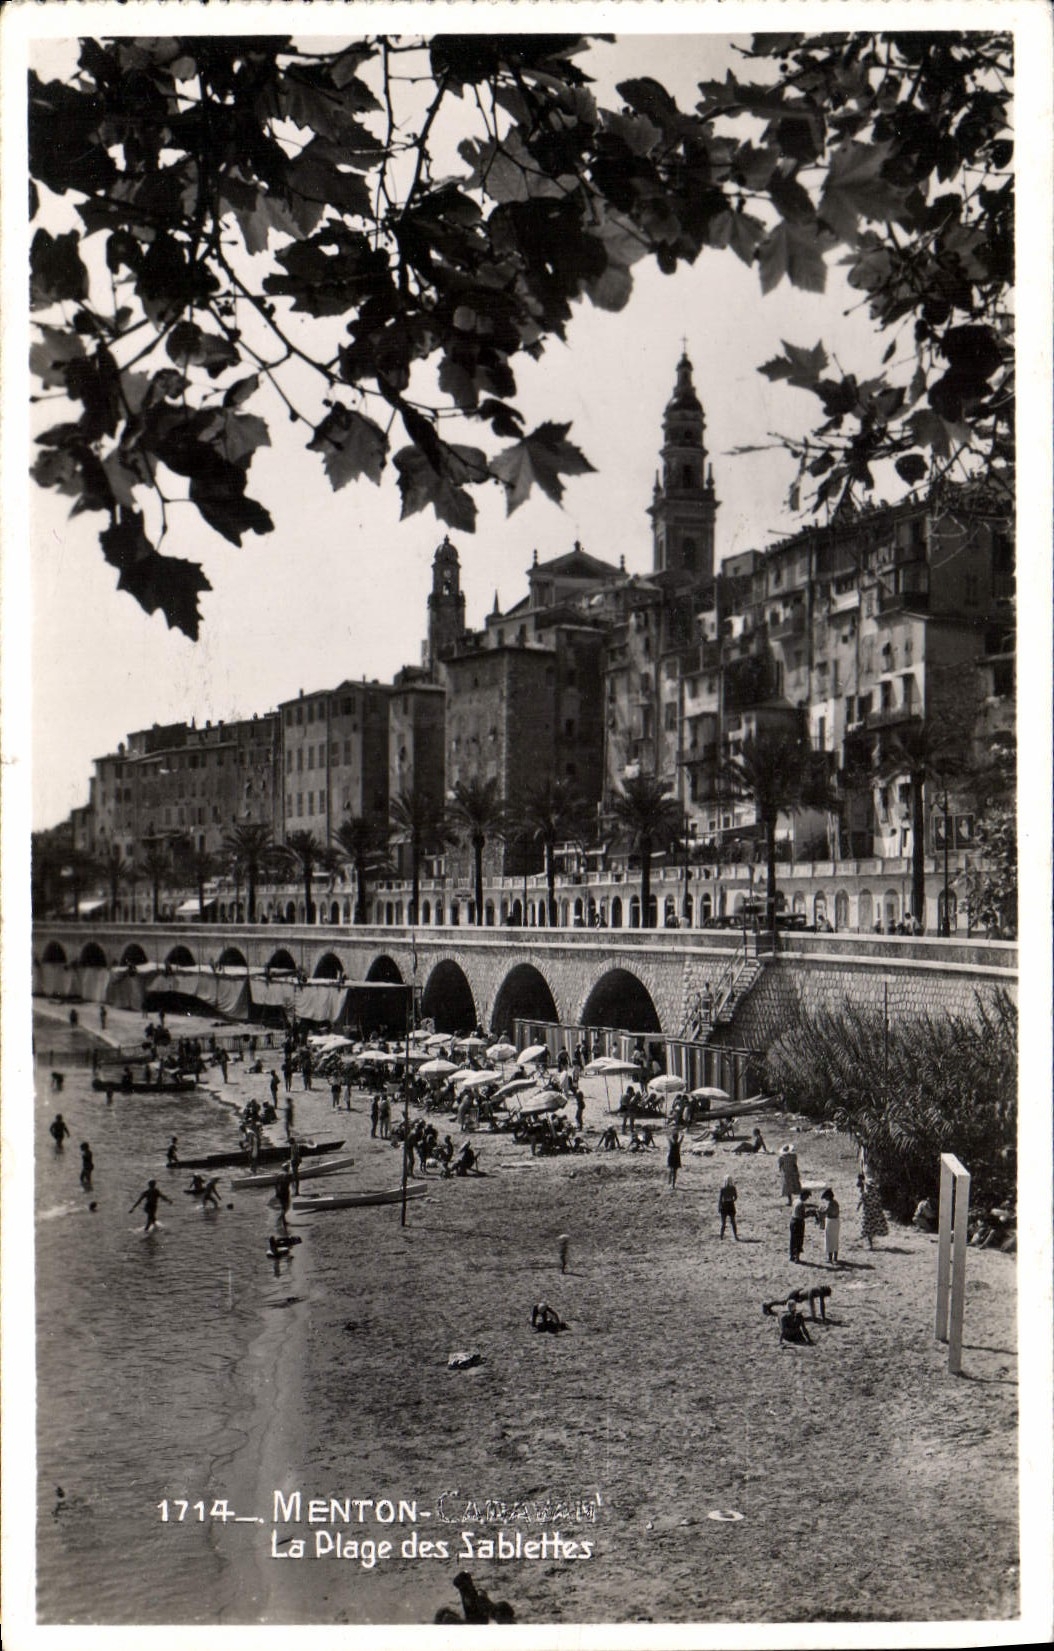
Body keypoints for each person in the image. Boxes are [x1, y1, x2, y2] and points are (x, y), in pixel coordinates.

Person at [858, 1175, 888, 1249]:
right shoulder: (876, 1194)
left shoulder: (865, 1194)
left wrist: (858, 1208)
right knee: (873, 1227)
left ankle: (870, 1244)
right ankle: (871, 1243)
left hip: (868, 1213)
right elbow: (879, 1202)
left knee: (868, 1228)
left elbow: (860, 1201)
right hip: (875, 1212)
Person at [819, 1187, 841, 1264]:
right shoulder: (835, 1202)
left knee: (829, 1239)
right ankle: (835, 1258)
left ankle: (830, 1258)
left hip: (831, 1222)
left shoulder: (830, 1204)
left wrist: (819, 1211)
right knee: (835, 1239)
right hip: (836, 1221)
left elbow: (825, 1212)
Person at [789, 1192, 809, 1262]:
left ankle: (791, 1256)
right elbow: (803, 1215)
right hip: (798, 1222)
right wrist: (809, 1214)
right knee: (799, 1240)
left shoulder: (795, 1201)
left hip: (792, 1220)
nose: (807, 1198)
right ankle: (797, 1258)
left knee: (793, 1239)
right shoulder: (801, 1204)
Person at [718, 1175, 738, 1239]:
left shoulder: (723, 1189)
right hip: (730, 1205)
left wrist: (719, 1207)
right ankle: (735, 1236)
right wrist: (731, 1200)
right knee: (732, 1222)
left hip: (724, 1205)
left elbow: (720, 1199)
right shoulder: (733, 1188)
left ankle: (721, 1236)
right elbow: (736, 1197)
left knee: (724, 1223)